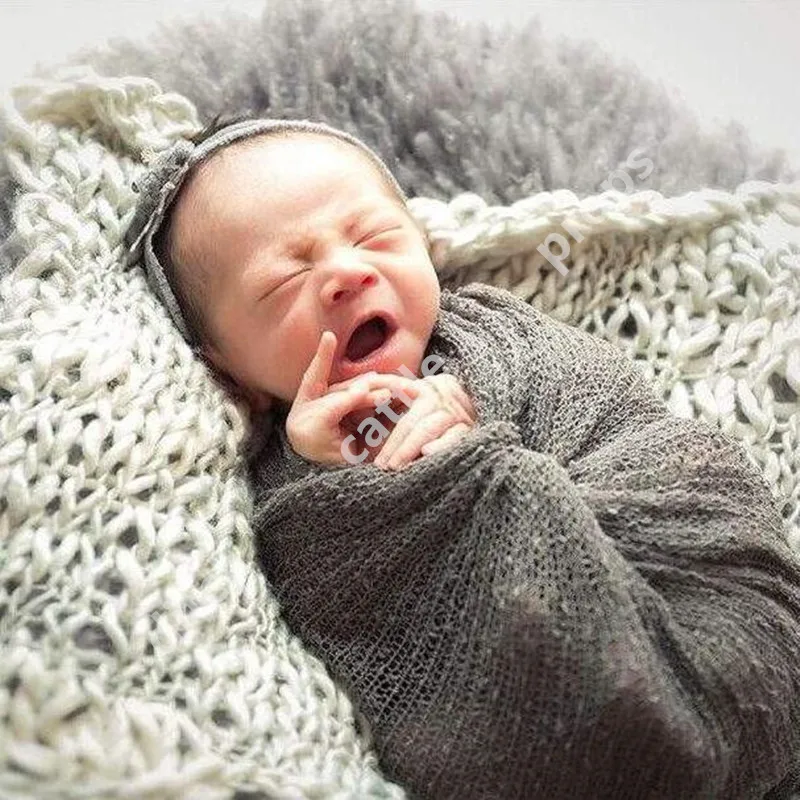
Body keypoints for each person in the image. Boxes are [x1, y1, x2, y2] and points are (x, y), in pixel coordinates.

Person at [124, 114, 800, 800]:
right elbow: (341, 609)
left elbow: (635, 436)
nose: (346, 274)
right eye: (284, 280)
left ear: (423, 245)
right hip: (536, 726)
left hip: (692, 597)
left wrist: (481, 458)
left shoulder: (503, 334)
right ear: (227, 368)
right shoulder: (289, 484)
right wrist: (355, 479)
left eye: (373, 236)